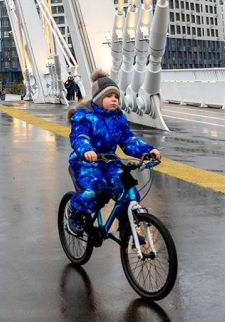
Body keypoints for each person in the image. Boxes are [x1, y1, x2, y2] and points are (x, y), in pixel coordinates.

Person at [66, 69, 161, 236]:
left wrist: (148, 150)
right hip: (86, 162)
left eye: (116, 97)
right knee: (97, 187)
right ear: (99, 98)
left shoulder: (118, 118)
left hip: (109, 161)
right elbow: (80, 137)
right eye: (109, 96)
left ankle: (126, 227)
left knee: (127, 190)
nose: (114, 100)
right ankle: (75, 212)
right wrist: (86, 150)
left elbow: (128, 140)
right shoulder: (85, 116)